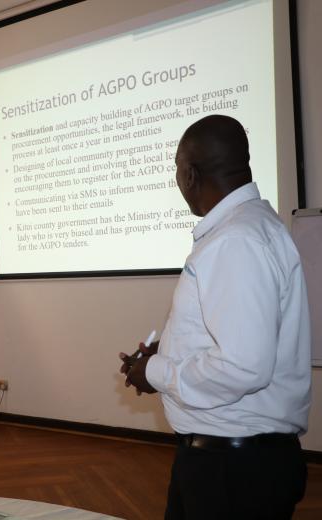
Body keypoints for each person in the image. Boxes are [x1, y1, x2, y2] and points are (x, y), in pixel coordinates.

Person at [119, 114, 311, 520]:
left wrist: (155, 371)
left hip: (232, 471)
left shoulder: (235, 242)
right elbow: (239, 337)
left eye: (176, 168)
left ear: (190, 174)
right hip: (234, 461)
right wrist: (168, 351)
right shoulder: (253, 228)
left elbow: (244, 366)